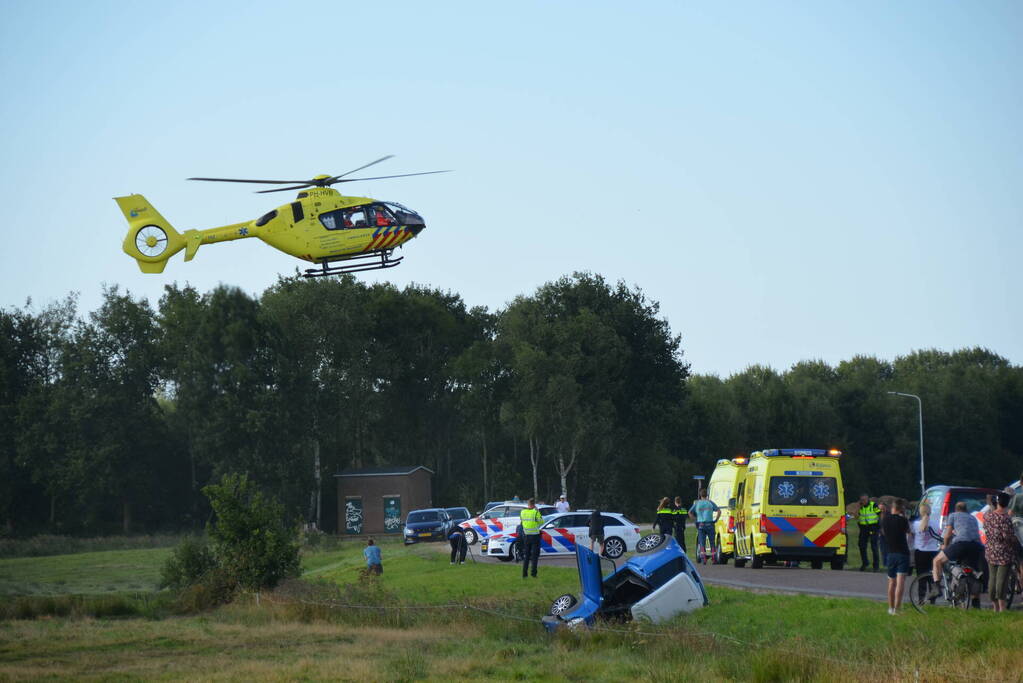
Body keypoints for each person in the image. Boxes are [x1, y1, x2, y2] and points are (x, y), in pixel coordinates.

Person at [929, 501, 984, 598]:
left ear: (956, 509)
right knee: (972, 574)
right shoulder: (972, 518)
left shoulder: (953, 515)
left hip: (961, 543)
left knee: (937, 561)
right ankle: (975, 603)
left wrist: (945, 546)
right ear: (966, 510)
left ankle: (936, 589)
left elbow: (948, 534)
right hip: (977, 546)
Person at [984, 491, 1021, 613]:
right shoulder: (1006, 519)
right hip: (1004, 553)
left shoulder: (988, 516)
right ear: (1008, 503)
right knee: (1002, 580)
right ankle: (1002, 608)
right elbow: (1008, 536)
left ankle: (994, 607)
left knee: (992, 579)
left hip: (990, 550)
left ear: (997, 502)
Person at [880, 498, 912, 615]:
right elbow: (909, 531)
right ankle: (897, 609)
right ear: (901, 509)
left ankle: (890, 607)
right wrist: (904, 517)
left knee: (891, 583)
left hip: (891, 553)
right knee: (900, 583)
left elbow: (883, 532)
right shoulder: (903, 520)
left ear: (892, 508)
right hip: (903, 553)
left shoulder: (885, 520)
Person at [911, 502, 940, 602]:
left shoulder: (915, 524)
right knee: (932, 576)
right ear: (930, 511)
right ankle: (933, 599)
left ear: (920, 512)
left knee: (921, 578)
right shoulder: (936, 524)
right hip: (933, 552)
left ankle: (921, 599)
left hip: (920, 552)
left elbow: (913, 536)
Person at [689, 489, 721, 563]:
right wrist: (716, 519)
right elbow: (719, 511)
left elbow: (690, 512)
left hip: (701, 525)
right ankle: (713, 558)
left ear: (700, 495)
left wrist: (695, 519)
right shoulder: (710, 503)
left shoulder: (697, 503)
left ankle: (704, 558)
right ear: (707, 495)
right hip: (710, 524)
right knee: (712, 542)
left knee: (702, 542)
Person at [857, 494, 881, 572]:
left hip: (873, 527)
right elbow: (855, 515)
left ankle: (876, 566)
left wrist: (880, 525)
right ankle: (865, 563)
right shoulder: (860, 507)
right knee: (861, 545)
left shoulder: (873, 505)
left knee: (874, 547)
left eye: (864, 500)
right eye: (861, 500)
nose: (862, 501)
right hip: (863, 528)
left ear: (868, 500)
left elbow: (880, 514)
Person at [520, 498, 543, 578]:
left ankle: (524, 574)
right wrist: (538, 511)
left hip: (526, 536)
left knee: (526, 555)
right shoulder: (535, 512)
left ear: (528, 504)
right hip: (535, 536)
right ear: (534, 505)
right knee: (534, 556)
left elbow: (522, 522)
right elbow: (541, 522)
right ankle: (533, 574)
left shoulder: (523, 512)